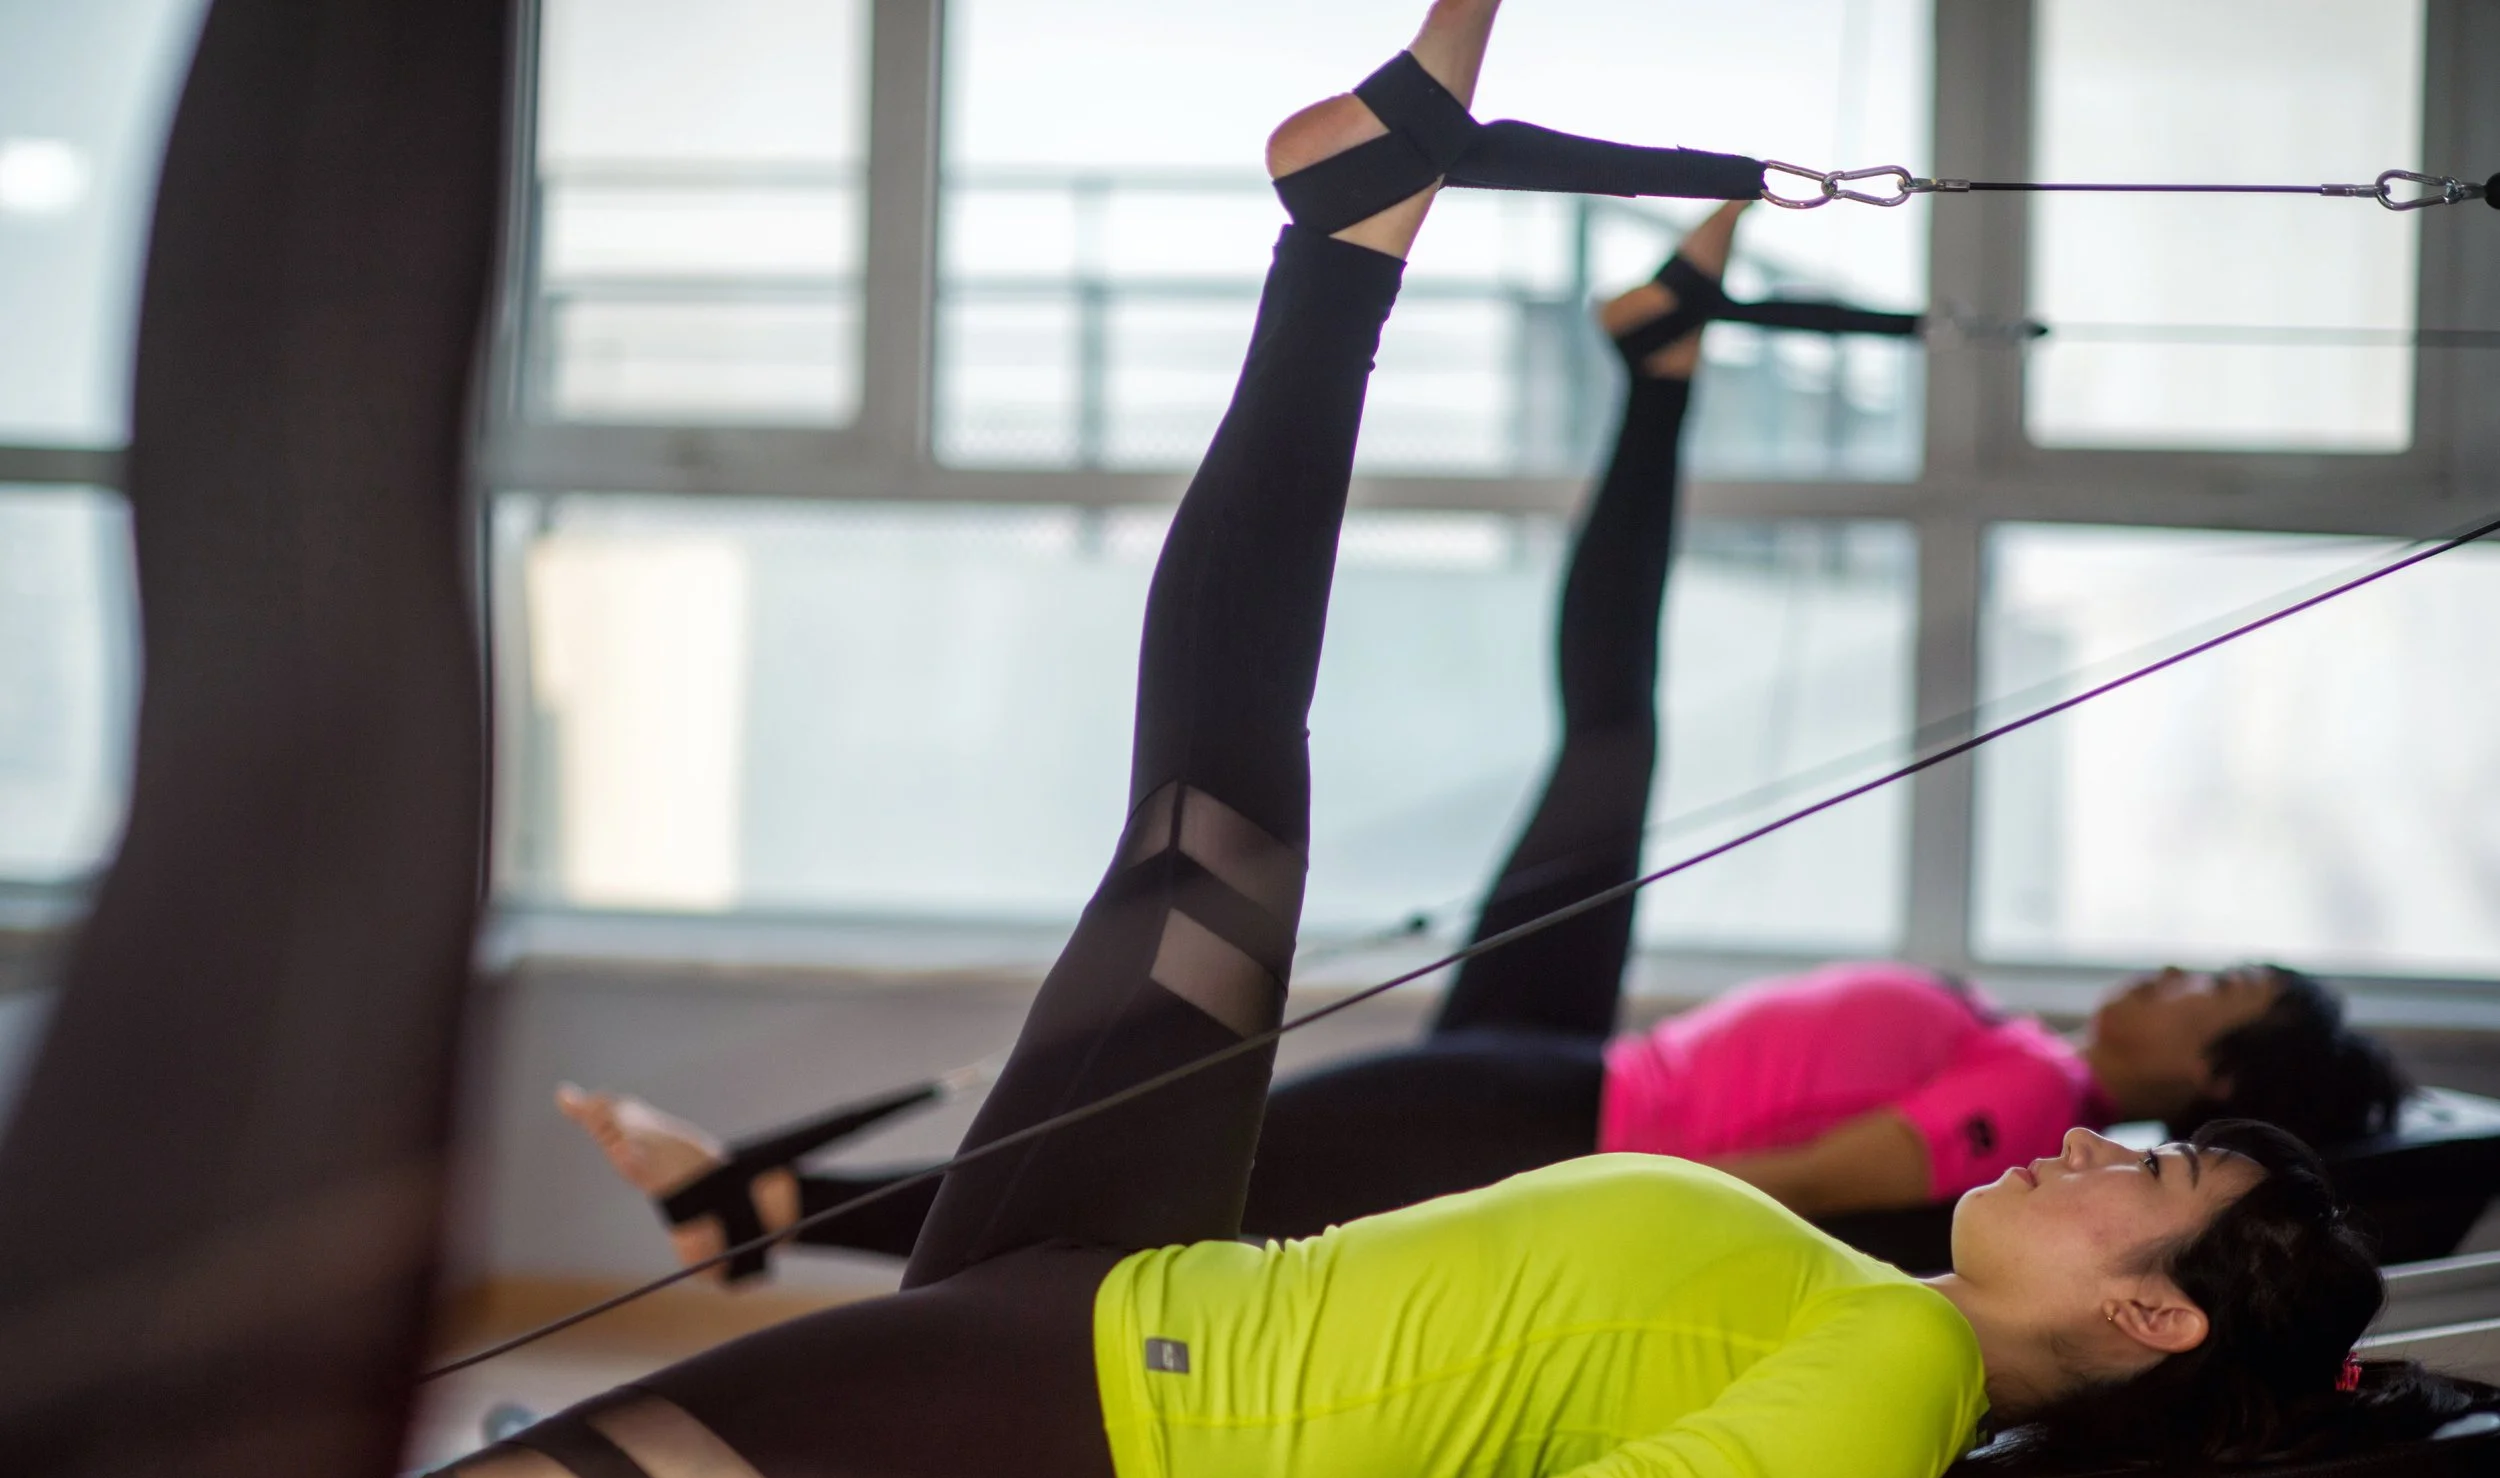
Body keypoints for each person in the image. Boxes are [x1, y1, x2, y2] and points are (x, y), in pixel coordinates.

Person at [388, 12, 2469, 1478]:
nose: (2100, 1145)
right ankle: (1349, 234)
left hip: (1091, 1414)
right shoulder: (1876, 1309)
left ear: (2152, 1317)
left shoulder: (1878, 1395)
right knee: (1216, 812)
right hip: (1136, 1281)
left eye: (2156, 1175)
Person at [558, 199, 2409, 1276]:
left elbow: (1786, 1191)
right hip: (1568, 1055)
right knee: (1614, 733)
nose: (2167, 968)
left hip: (1551, 1115)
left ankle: (770, 1200)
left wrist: (1536, 1222)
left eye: (2211, 983)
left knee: (1195, 1171)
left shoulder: (2035, 1108)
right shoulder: (2028, 1065)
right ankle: (1656, 372)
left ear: (2214, 1073)